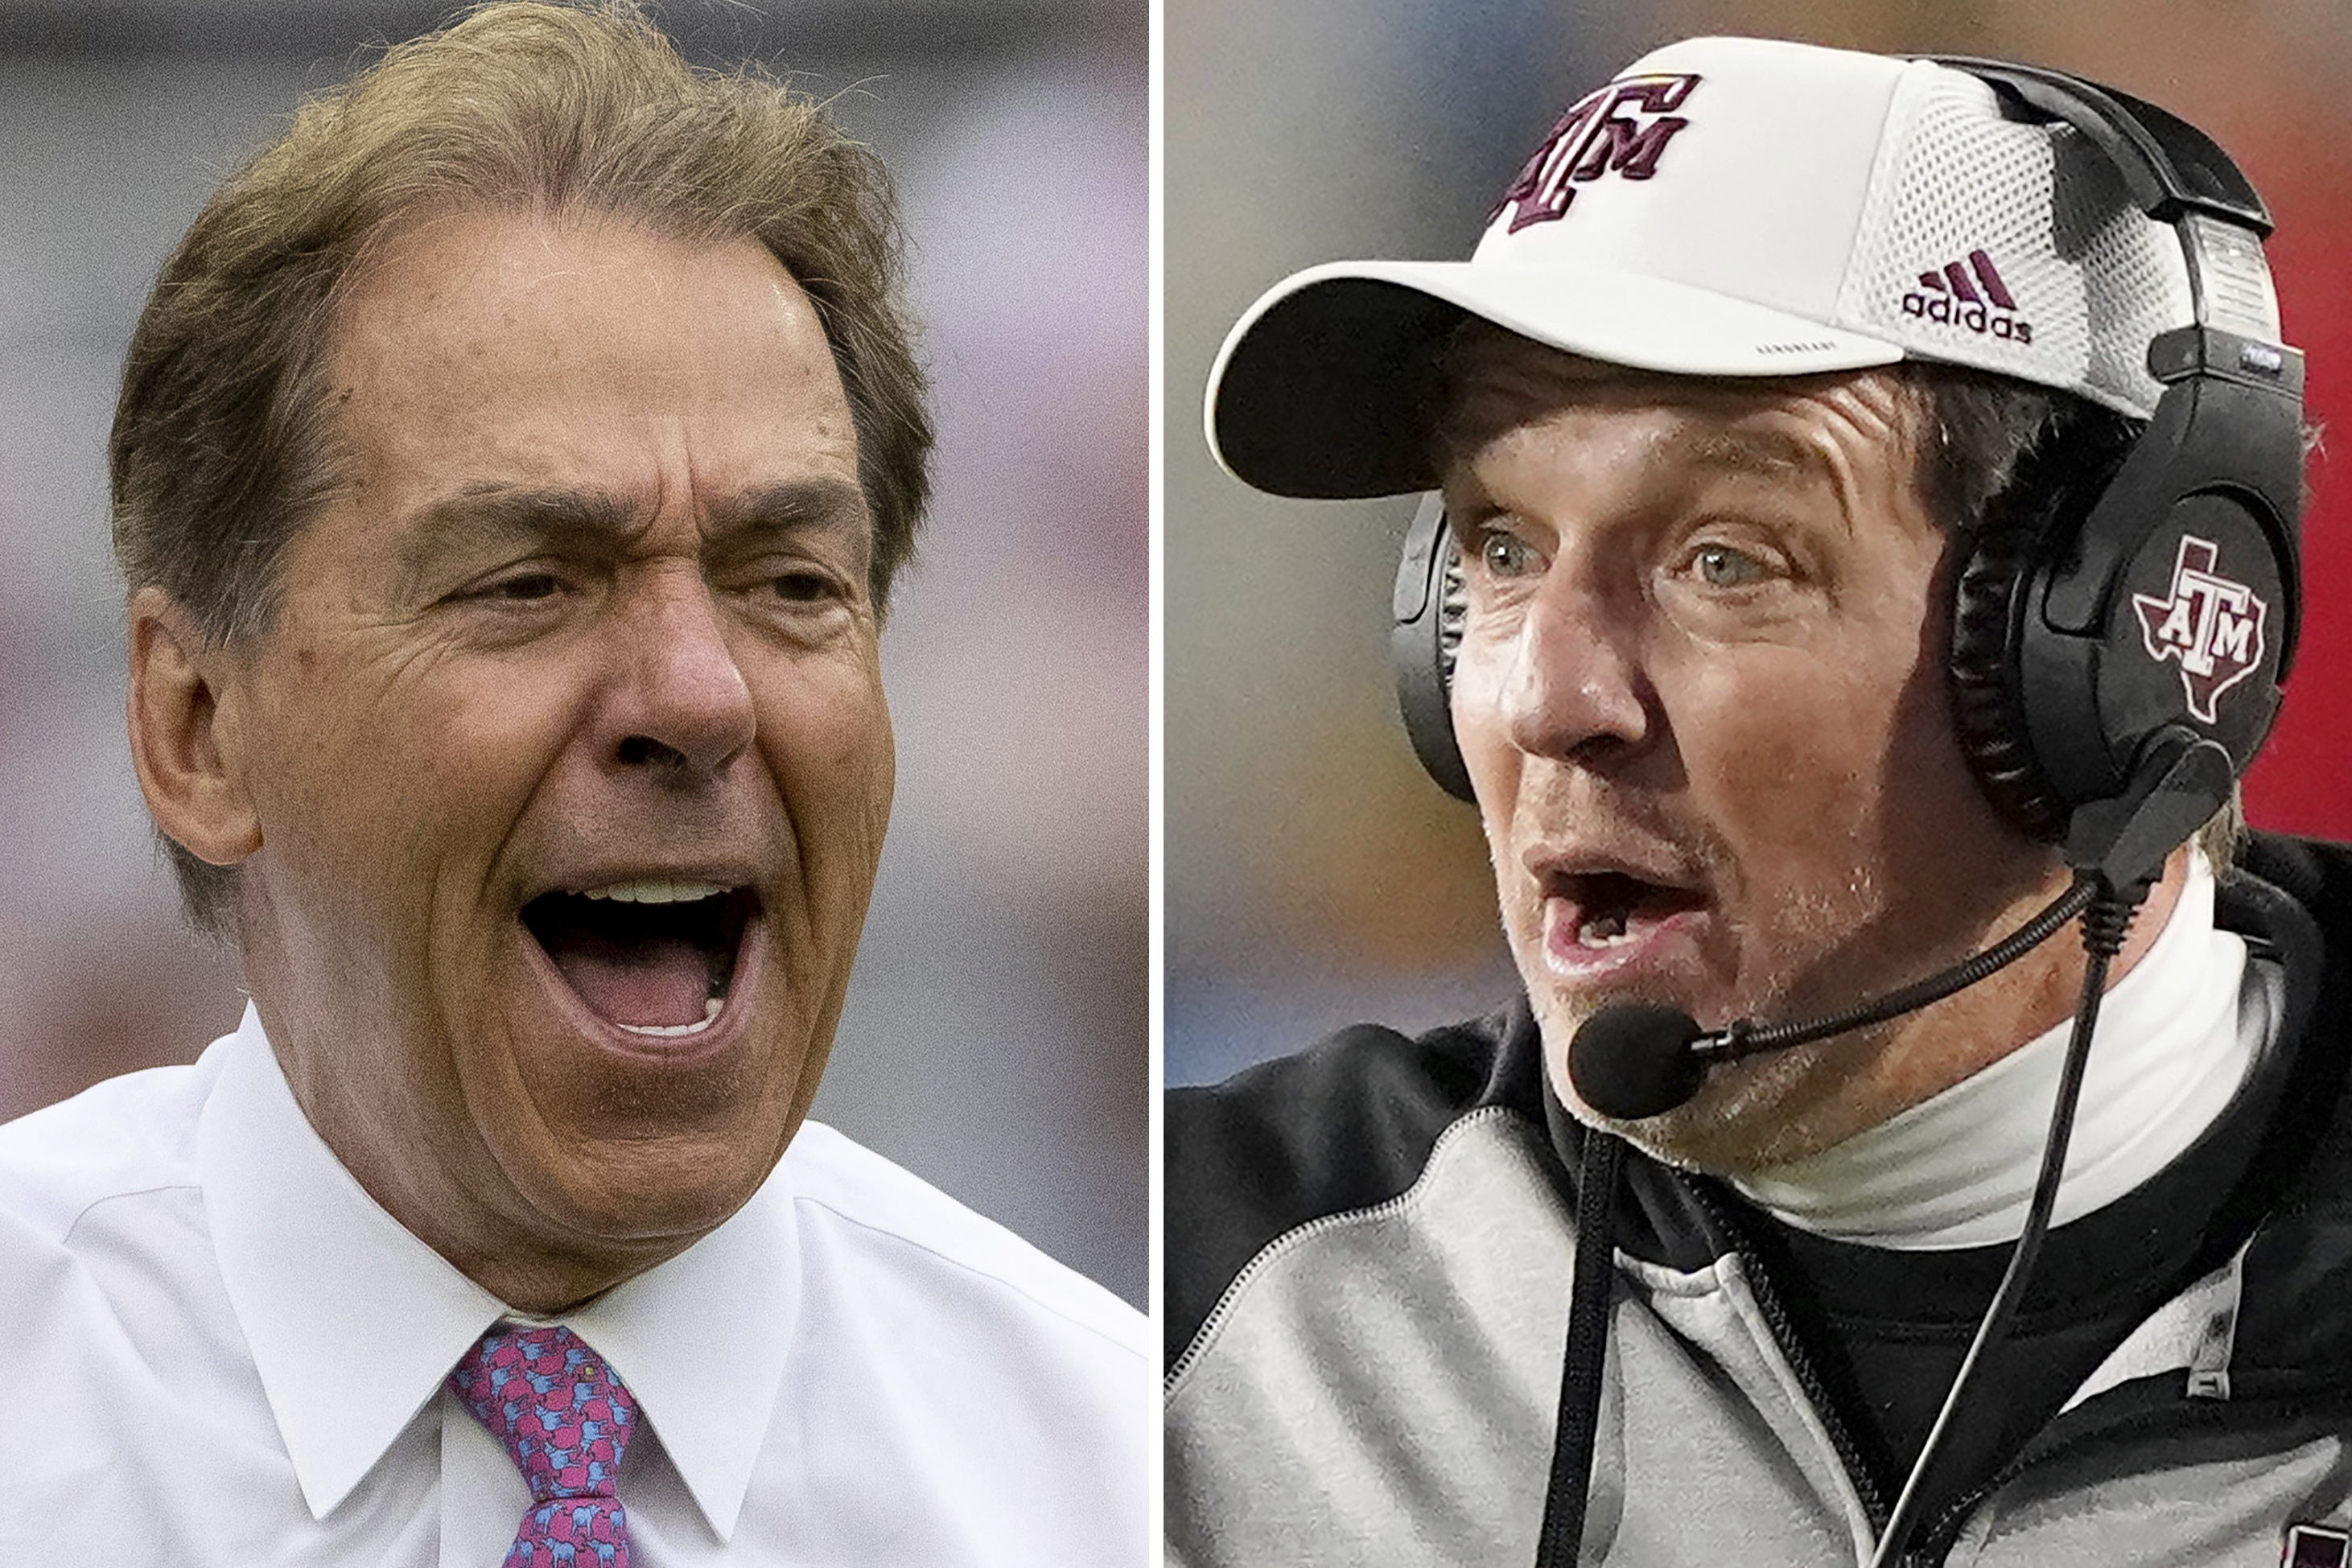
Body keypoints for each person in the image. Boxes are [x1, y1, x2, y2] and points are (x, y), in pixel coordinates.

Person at [1168, 35, 2352, 1568]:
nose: (1546, 696)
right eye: (1501, 546)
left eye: (1726, 558)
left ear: (2117, 660)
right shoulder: (1184, 1306)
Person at [0, 3, 1147, 1562]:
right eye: (528, 581)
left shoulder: (1114, 1480)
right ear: (196, 729)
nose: (698, 692)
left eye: (791, 582)